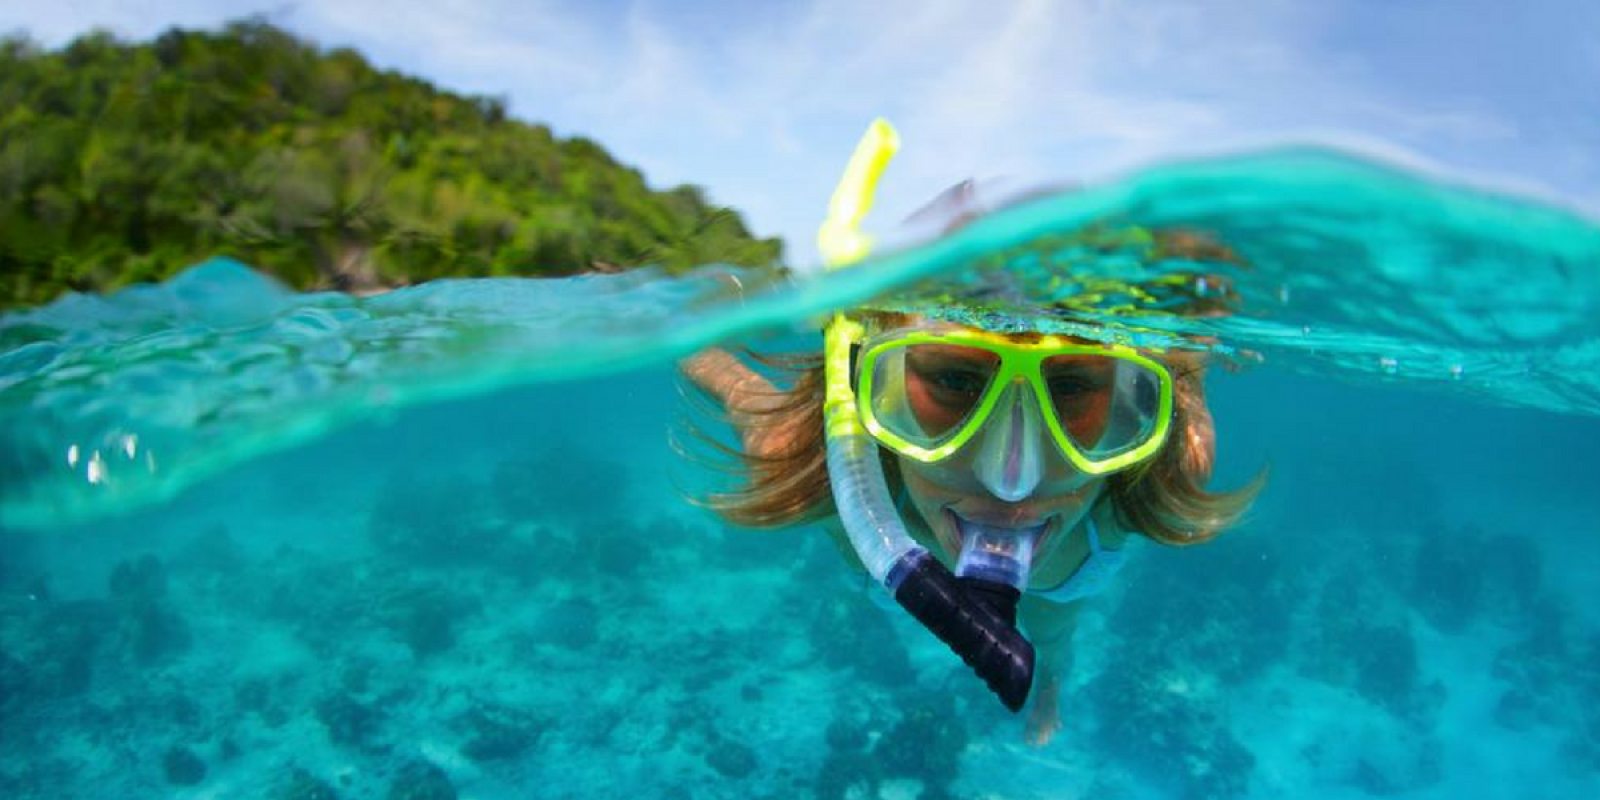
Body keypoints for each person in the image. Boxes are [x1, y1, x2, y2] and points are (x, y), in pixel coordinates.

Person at [680, 121, 1261, 745]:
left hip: (1060, 583)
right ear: (860, 383)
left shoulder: (1165, 466)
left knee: (1054, 630)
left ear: (1134, 402)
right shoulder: (806, 456)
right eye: (956, 381)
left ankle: (1052, 686)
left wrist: (1189, 343)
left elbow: (1183, 366)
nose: (1011, 481)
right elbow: (717, 367)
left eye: (1071, 388)